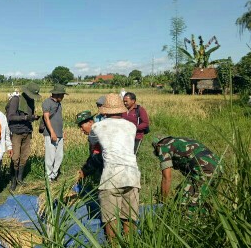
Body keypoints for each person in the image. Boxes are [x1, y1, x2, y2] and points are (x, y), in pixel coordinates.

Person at [92, 93, 141, 241]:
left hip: (111, 177)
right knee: (130, 217)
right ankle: (130, 243)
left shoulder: (98, 126)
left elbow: (94, 144)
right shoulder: (132, 126)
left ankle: (113, 244)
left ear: (105, 111)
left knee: (110, 218)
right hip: (132, 176)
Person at [152, 136, 222, 211]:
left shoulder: (163, 147)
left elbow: (167, 178)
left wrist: (162, 203)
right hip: (218, 166)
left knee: (185, 203)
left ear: (157, 145)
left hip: (203, 169)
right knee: (203, 199)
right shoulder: (180, 141)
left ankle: (186, 219)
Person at [6, 82, 41, 191]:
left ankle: (20, 179)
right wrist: (26, 118)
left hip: (27, 131)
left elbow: (29, 116)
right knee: (15, 157)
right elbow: (10, 117)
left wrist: (33, 118)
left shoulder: (31, 101)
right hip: (16, 132)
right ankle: (13, 181)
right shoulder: (15, 100)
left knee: (24, 157)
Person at [41, 84, 67, 181]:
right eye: (62, 95)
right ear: (58, 94)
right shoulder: (47, 103)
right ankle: (49, 177)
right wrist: (52, 132)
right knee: (50, 156)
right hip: (50, 134)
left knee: (59, 156)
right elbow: (46, 118)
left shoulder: (59, 104)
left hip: (59, 133)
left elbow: (59, 119)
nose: (63, 97)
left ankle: (54, 175)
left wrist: (62, 132)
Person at [75, 110, 103, 181]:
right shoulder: (98, 130)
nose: (81, 129)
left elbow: (97, 157)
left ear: (90, 122)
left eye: (81, 126)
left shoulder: (94, 134)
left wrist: (85, 171)